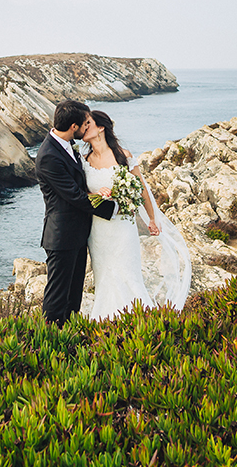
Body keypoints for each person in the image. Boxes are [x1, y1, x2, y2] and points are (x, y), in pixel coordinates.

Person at [82, 110, 192, 320]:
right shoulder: (84, 160)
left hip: (122, 227)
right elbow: (81, 192)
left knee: (128, 275)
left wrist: (151, 218)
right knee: (104, 277)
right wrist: (95, 194)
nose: (84, 127)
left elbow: (141, 189)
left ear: (101, 128)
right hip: (98, 230)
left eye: (88, 123)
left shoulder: (123, 155)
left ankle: (139, 322)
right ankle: (105, 323)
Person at [35, 99, 115, 326]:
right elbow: (75, 196)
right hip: (61, 237)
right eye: (84, 124)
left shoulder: (67, 145)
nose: (86, 128)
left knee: (74, 297)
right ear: (73, 127)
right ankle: (50, 341)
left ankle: (68, 339)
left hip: (77, 235)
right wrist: (115, 208)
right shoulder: (49, 156)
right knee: (57, 297)